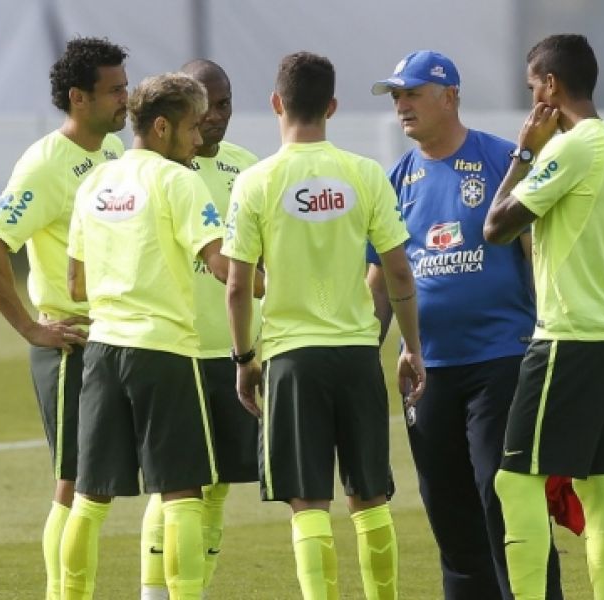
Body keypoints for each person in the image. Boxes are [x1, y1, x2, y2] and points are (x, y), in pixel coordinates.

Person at [223, 51, 426, 600]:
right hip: (356, 355)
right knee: (370, 497)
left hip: (291, 358)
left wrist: (243, 360)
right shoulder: (365, 173)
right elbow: (398, 270)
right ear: (332, 107)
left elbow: (237, 287)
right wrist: (411, 346)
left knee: (308, 501)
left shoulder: (256, 181)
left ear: (276, 103)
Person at [367, 50, 563, 600]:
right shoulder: (396, 180)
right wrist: (363, 355)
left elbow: (535, 256)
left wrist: (549, 340)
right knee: (448, 512)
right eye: (396, 96)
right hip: (427, 370)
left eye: (412, 93)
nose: (402, 106)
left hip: (501, 358)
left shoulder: (503, 160)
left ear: (449, 96)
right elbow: (380, 281)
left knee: (505, 501)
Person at [483, 34, 604, 600]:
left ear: (550, 86)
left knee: (515, 480)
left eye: (533, 87)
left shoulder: (571, 148)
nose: (532, 99)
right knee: (598, 482)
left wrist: (525, 152)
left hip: (569, 337)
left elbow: (496, 226)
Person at [0, 36, 128, 600]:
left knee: (100, 484)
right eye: (114, 90)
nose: (126, 99)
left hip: (115, 334)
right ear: (79, 98)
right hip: (70, 343)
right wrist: (32, 329)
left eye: (126, 87)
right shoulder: (44, 164)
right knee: (74, 482)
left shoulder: (115, 153)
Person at [59, 72, 228, 600]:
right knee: (182, 494)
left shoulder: (94, 182)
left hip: (104, 350)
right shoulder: (179, 181)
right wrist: (279, 279)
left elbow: (75, 283)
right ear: (161, 127)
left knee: (88, 498)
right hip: (163, 351)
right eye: (193, 127)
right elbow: (222, 266)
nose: (198, 140)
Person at [139, 59, 261, 600]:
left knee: (217, 488)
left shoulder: (247, 169)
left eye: (225, 104)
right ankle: (155, 594)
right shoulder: (159, 172)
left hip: (233, 349)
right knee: (175, 486)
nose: (215, 116)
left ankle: (193, 591)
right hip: (176, 349)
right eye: (205, 107)